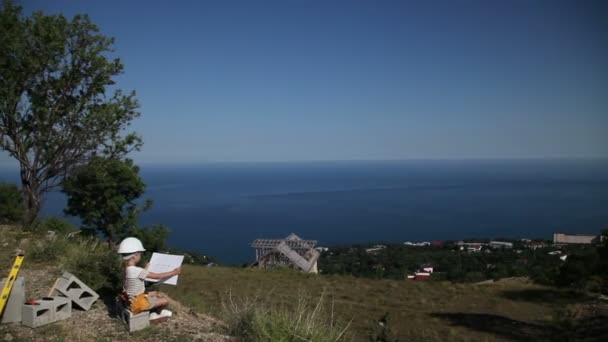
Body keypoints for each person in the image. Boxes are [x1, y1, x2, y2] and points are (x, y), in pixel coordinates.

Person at [117, 237, 181, 320]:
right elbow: (157, 276)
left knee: (155, 293)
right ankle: (154, 315)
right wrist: (174, 272)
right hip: (137, 304)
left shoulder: (127, 269)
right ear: (135, 255)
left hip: (130, 300)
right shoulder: (137, 271)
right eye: (140, 253)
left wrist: (146, 268)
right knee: (165, 301)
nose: (141, 255)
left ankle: (151, 311)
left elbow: (139, 275)